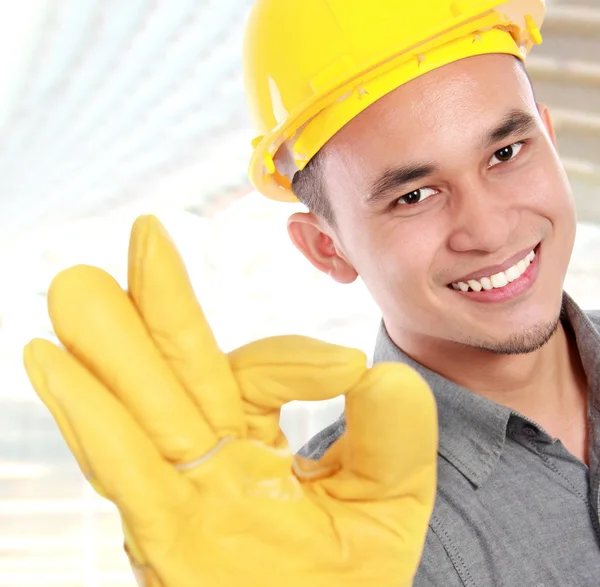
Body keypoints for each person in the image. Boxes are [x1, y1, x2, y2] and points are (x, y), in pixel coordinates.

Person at [21, 0, 600, 585]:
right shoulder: (322, 536)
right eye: (414, 196)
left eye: (505, 153)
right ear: (327, 248)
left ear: (548, 140)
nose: (492, 230)